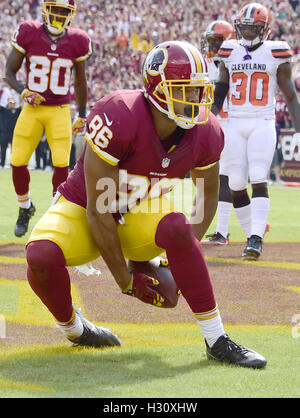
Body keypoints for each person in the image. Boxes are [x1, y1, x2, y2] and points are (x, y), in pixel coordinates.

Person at [25, 41, 267, 369]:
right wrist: (125, 279)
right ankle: (76, 329)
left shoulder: (207, 132)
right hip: (84, 207)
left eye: (198, 90)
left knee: (179, 228)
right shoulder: (119, 115)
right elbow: (99, 210)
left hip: (140, 209)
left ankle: (217, 339)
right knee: (40, 254)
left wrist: (173, 261)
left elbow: (207, 197)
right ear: (156, 89)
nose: (195, 99)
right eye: (184, 90)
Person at [211, 2, 300, 260]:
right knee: (237, 182)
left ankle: (255, 239)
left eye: (253, 29)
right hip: (236, 122)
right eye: (245, 28)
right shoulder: (229, 50)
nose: (248, 33)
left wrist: (298, 129)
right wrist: (212, 114)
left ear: (264, 29)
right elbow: (221, 87)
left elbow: (291, 95)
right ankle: (252, 236)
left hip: (262, 120)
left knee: (258, 174)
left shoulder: (276, 52)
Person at [4, 0, 92, 237]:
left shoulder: (78, 40)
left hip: (60, 109)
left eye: (64, 11)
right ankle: (25, 207)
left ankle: (55, 217)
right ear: (45, 9)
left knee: (61, 163)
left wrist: (82, 114)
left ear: (71, 14)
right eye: (55, 9)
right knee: (18, 160)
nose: (59, 14)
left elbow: (80, 80)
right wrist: (24, 91)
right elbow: (8, 72)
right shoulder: (29, 32)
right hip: (32, 109)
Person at [200, 20, 235, 246]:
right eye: (209, 41)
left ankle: (222, 232)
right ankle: (253, 223)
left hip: (230, 123)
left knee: (225, 178)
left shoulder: (232, 62)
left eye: (215, 41)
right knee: (215, 179)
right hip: (214, 123)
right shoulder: (206, 63)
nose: (210, 46)